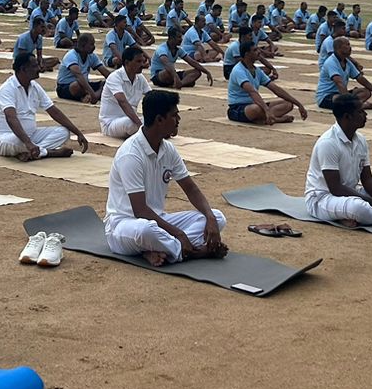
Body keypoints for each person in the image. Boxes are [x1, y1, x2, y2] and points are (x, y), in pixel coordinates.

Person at [101, 90, 227, 266]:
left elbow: (191, 189)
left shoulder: (167, 149)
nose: (178, 120)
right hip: (124, 226)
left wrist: (210, 219)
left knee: (217, 217)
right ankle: (194, 252)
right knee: (146, 230)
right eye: (174, 115)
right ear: (159, 120)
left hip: (159, 219)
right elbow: (140, 211)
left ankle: (160, 250)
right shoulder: (130, 154)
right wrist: (179, 234)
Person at [304, 94, 372, 224]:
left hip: (352, 192)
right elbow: (335, 188)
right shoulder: (328, 143)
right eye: (360, 111)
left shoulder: (360, 140)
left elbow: (367, 179)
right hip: (323, 198)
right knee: (360, 209)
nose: (365, 115)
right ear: (347, 117)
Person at [0, 51, 90, 160]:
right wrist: (27, 142)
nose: (39, 68)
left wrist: (78, 133)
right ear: (23, 69)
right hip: (5, 138)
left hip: (31, 136)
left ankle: (33, 152)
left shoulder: (35, 87)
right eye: (34, 66)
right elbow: (11, 118)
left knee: (64, 132)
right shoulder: (7, 89)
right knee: (18, 140)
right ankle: (48, 152)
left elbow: (54, 111)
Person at [227, 48, 307, 125]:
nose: (259, 52)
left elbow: (276, 89)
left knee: (288, 104)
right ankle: (274, 118)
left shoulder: (257, 71)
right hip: (238, 108)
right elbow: (252, 92)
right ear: (247, 54)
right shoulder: (239, 70)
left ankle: (264, 118)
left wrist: (298, 104)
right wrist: (267, 110)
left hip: (255, 104)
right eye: (255, 50)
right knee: (256, 109)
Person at [316, 35, 372, 110]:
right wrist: (348, 100)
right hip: (326, 96)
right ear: (338, 48)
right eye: (347, 45)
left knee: (366, 92)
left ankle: (353, 105)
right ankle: (355, 105)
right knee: (339, 99)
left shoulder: (347, 62)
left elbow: (360, 78)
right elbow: (339, 84)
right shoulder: (331, 62)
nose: (350, 48)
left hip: (341, 93)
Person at [99, 45, 153, 139]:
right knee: (131, 123)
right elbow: (123, 102)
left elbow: (152, 97)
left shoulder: (140, 78)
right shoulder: (115, 77)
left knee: (155, 121)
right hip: (111, 124)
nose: (142, 65)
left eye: (142, 61)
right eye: (138, 61)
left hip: (132, 119)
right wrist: (141, 126)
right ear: (127, 62)